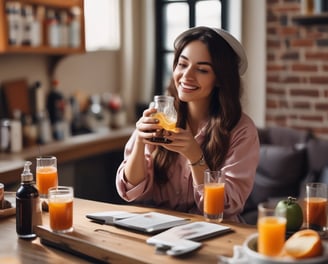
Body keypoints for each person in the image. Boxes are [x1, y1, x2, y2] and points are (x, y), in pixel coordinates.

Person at [116, 26, 260, 222]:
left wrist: (195, 156)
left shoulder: (241, 130)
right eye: (182, 65)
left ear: (220, 79)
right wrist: (141, 142)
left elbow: (225, 207)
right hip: (157, 228)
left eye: (202, 69)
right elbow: (130, 190)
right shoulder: (160, 116)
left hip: (215, 233)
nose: (186, 76)